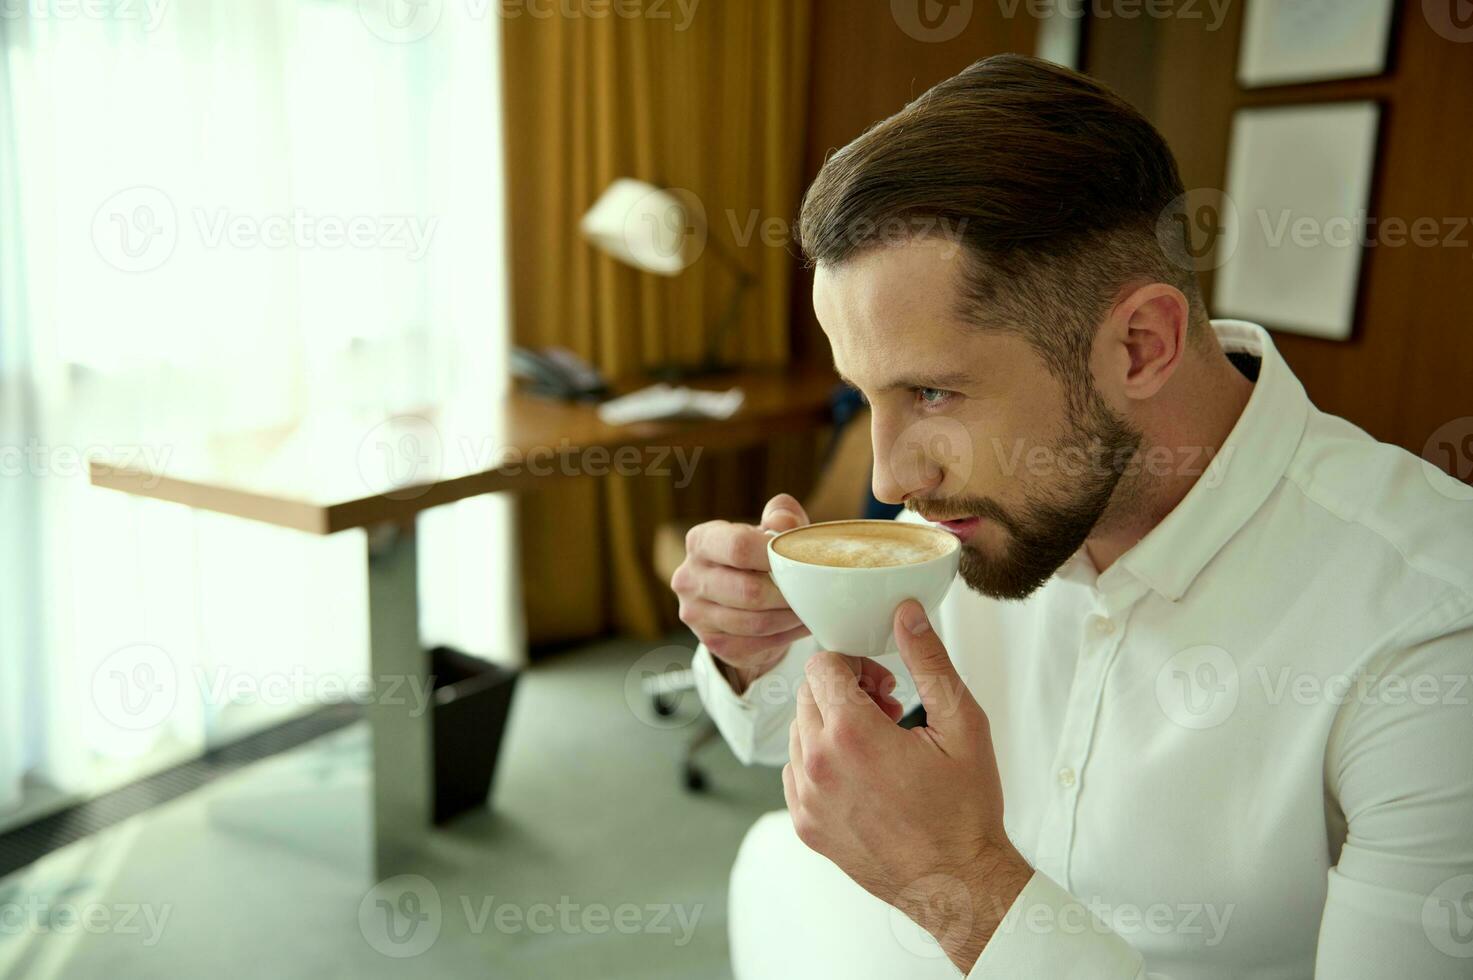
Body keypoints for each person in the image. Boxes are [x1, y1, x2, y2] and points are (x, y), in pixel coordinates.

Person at [671, 54, 1473, 978]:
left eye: (931, 391)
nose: (890, 480)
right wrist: (753, 644)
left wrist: (959, 884)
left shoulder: (1434, 634)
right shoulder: (989, 513)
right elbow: (800, 731)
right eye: (867, 396)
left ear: (1140, 346)